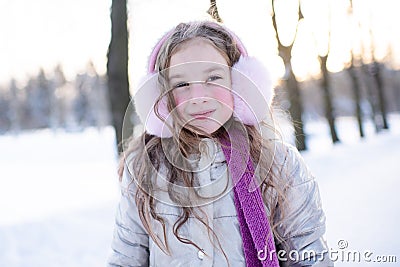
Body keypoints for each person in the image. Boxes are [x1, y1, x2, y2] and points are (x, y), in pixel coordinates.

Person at [107, 21, 333, 267]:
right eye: (181, 84)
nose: (199, 97)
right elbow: (125, 259)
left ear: (240, 84)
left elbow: (309, 257)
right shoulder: (144, 169)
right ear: (162, 97)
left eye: (213, 77)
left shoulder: (279, 163)